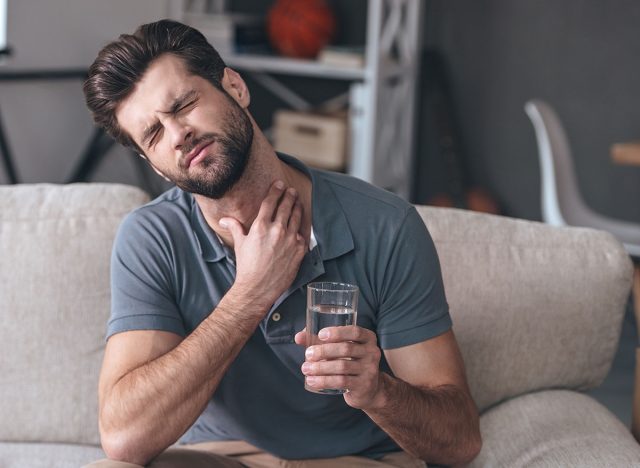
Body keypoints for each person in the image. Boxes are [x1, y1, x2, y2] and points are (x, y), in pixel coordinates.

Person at [82, 19, 481, 468]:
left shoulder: (385, 226)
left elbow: (461, 441)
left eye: (184, 105)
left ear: (234, 86)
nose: (177, 135)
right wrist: (250, 294)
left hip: (355, 458)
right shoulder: (152, 239)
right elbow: (122, 438)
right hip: (216, 457)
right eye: (153, 135)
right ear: (152, 163)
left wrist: (378, 391)